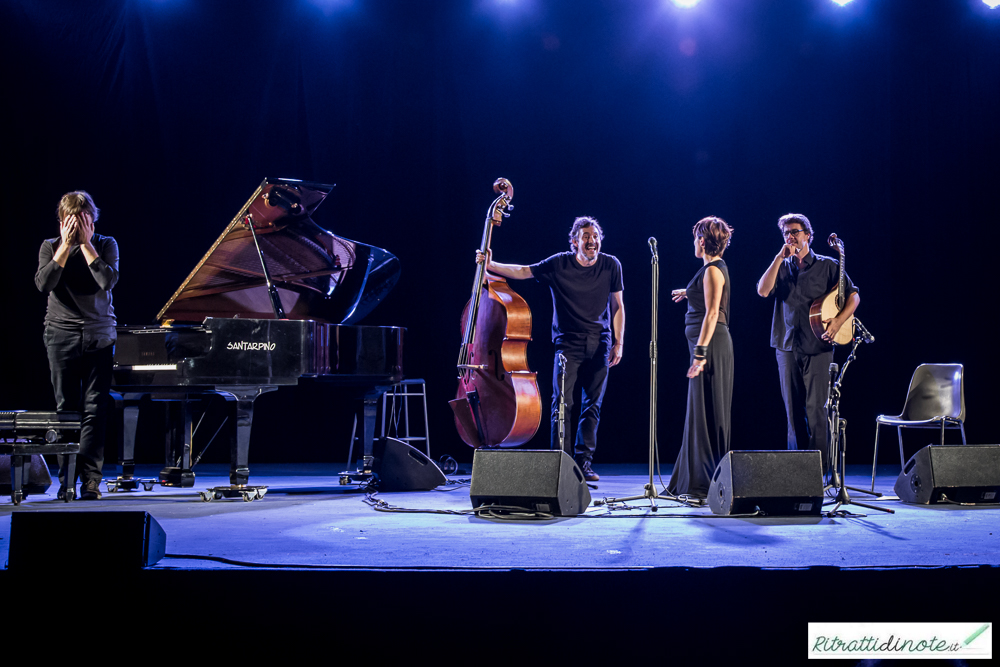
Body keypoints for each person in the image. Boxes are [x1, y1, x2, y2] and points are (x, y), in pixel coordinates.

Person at [479, 217, 624, 482]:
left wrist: (618, 342)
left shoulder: (611, 264)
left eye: (595, 236)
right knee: (562, 404)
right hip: (567, 344)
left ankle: (584, 462)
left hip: (600, 342)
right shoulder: (559, 263)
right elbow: (524, 271)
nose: (591, 240)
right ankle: (561, 461)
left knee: (593, 405)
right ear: (575, 242)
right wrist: (490, 265)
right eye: (586, 236)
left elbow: (618, 306)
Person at [756, 213, 858, 472]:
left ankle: (821, 472)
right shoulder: (782, 266)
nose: (790, 237)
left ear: (808, 235)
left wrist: (837, 322)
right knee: (793, 412)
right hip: (786, 346)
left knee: (817, 412)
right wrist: (779, 257)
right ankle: (798, 472)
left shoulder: (828, 265)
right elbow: (763, 291)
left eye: (795, 232)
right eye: (786, 233)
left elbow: (854, 296)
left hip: (819, 346)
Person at [34, 191, 119, 500]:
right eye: (73, 223)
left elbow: (107, 280)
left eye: (85, 222)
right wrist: (66, 245)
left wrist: (85, 244)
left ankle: (91, 482)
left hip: (100, 335)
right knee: (66, 410)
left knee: (95, 411)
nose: (80, 227)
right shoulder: (50, 247)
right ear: (61, 222)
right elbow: (44, 283)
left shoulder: (106, 244)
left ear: (93, 221)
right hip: (60, 336)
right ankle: (67, 481)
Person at [667, 217, 734, 500]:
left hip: (711, 348)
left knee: (708, 411)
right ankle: (699, 478)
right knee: (700, 410)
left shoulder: (713, 271)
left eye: (696, 238)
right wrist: (689, 291)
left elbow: (712, 313)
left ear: (703, 241)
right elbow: (705, 298)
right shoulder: (708, 270)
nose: (694, 243)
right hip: (708, 345)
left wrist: (700, 354)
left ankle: (706, 481)